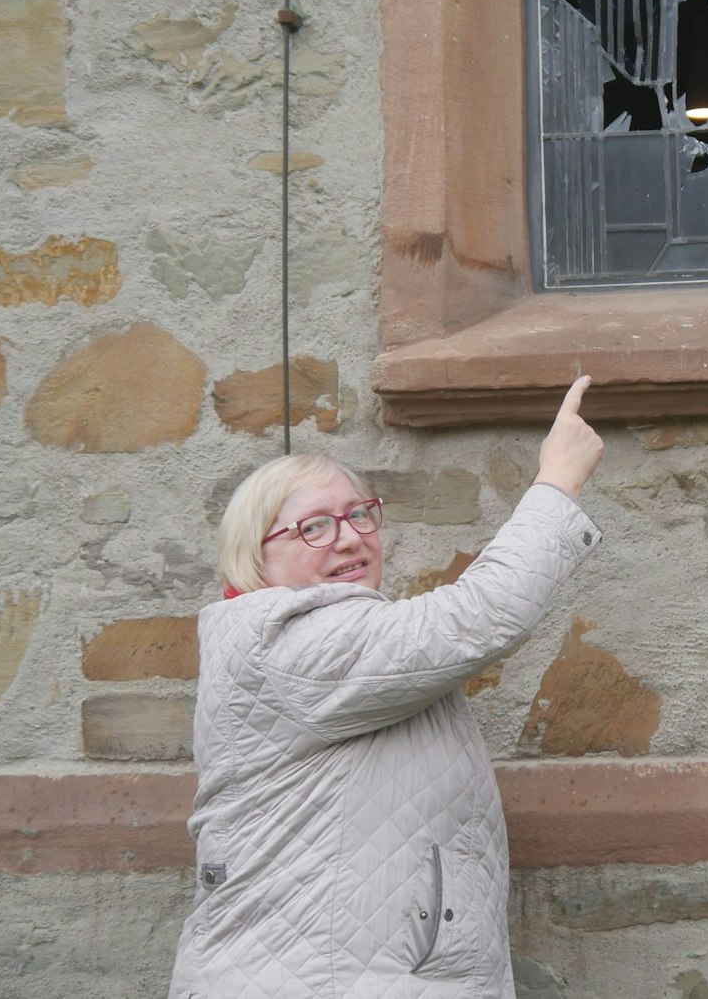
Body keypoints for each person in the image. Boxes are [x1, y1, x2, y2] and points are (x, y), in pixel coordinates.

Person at [169, 377, 604, 998]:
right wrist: (557, 481)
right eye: (313, 527)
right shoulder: (283, 641)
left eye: (358, 515)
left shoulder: (332, 641)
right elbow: (478, 616)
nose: (349, 536)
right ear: (253, 557)